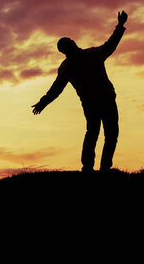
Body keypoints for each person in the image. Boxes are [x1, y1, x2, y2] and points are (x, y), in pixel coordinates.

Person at [31, 11, 128, 173]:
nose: (71, 44)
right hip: (93, 104)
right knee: (95, 132)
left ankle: (103, 167)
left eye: (70, 42)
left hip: (106, 100)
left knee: (109, 133)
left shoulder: (92, 55)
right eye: (67, 45)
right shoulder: (69, 67)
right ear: (65, 51)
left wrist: (120, 26)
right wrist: (43, 102)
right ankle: (89, 167)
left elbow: (111, 44)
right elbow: (56, 89)